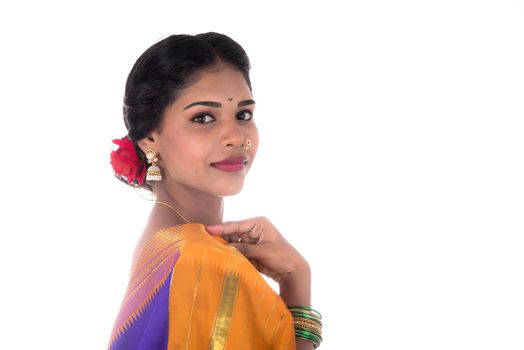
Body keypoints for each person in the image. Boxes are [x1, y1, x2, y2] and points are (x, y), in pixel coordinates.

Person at [108, 32, 322, 350]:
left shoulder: (166, 242)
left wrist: (296, 277)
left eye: (243, 114)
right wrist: (298, 286)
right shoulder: (203, 259)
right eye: (203, 117)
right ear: (150, 139)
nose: (236, 137)